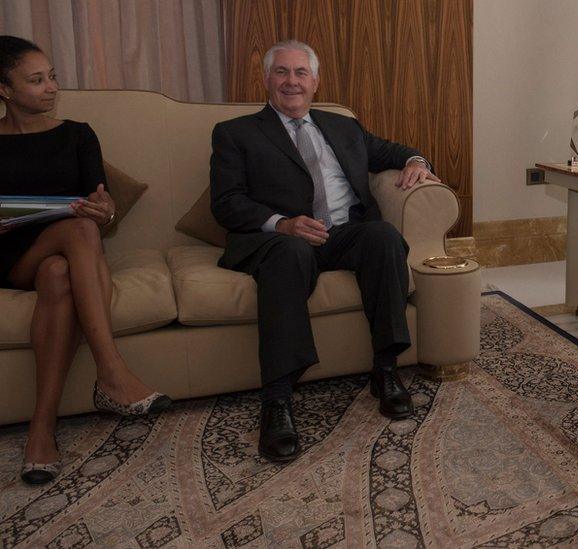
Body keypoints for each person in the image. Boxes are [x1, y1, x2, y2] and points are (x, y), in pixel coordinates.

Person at [210, 40, 440, 463]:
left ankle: (386, 370)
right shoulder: (236, 133)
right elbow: (226, 202)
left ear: (315, 82)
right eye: (281, 72)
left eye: (301, 73)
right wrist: (282, 223)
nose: (291, 81)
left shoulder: (343, 127)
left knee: (383, 236)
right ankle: (277, 399)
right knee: (289, 255)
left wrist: (416, 161)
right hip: (281, 240)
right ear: (266, 80)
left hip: (343, 233)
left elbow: (390, 150)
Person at [0, 36, 171, 485]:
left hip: (63, 259)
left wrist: (106, 210)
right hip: (11, 256)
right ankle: (111, 371)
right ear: (4, 89)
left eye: (52, 76)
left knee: (62, 266)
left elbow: (102, 205)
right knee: (79, 230)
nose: (51, 87)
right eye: (36, 80)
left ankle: (41, 432)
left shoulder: (78, 133)